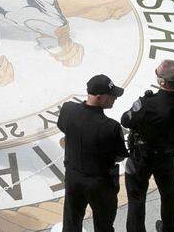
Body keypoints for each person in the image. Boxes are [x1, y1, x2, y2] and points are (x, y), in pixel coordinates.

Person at [121, 60, 174, 232]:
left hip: (143, 156)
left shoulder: (148, 104)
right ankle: (170, 228)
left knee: (136, 196)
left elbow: (126, 120)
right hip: (169, 155)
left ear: (162, 82)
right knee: (168, 191)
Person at [57, 74, 127, 232]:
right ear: (99, 97)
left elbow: (63, 128)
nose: (114, 99)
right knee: (104, 225)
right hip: (101, 183)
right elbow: (120, 155)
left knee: (71, 223)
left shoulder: (68, 110)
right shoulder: (111, 127)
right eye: (112, 96)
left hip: (73, 178)